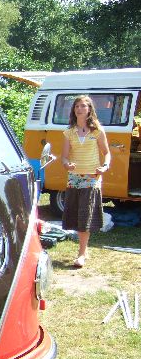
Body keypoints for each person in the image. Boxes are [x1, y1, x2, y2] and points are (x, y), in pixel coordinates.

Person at [60, 95, 111, 267]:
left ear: (89, 109)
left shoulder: (97, 130)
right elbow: (64, 157)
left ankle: (81, 254)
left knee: (85, 215)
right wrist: (67, 165)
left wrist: (105, 166)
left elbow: (107, 153)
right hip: (74, 179)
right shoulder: (69, 132)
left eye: (83, 106)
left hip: (92, 178)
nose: (79, 109)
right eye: (76, 106)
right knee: (76, 214)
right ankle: (84, 249)